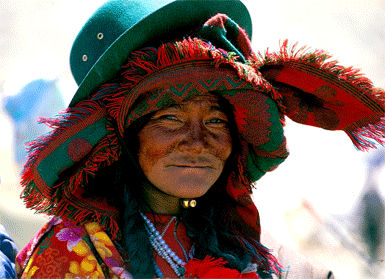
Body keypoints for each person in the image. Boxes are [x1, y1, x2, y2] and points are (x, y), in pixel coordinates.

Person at [15, 0, 385, 278]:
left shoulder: (242, 240)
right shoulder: (73, 252)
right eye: (170, 118)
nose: (197, 141)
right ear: (125, 137)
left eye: (215, 120)